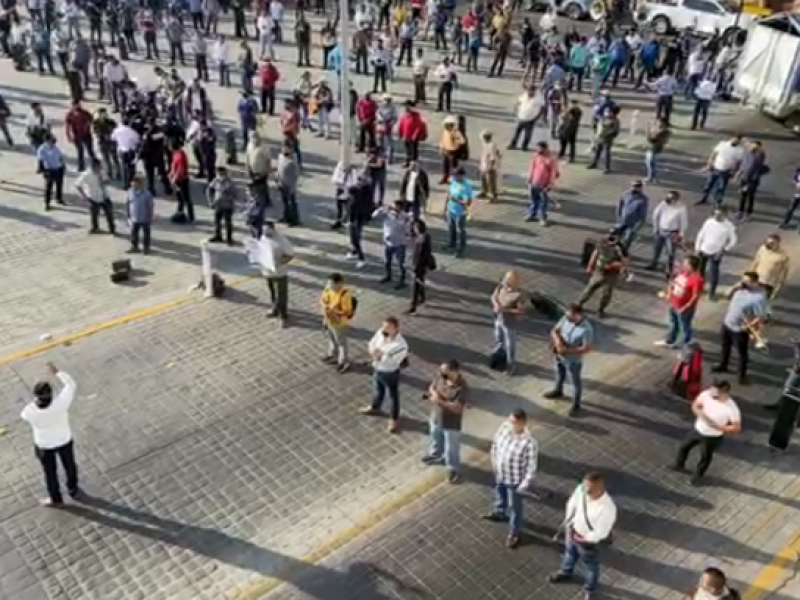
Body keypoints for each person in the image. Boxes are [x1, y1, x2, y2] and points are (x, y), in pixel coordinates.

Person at [549, 472, 617, 598]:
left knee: (591, 566)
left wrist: (584, 538)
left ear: (600, 488)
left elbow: (601, 532)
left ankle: (590, 589)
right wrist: (568, 521)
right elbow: (572, 503)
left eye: (589, 490)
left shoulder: (607, 508)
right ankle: (566, 571)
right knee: (569, 553)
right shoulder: (581, 489)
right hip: (572, 530)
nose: (585, 491)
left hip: (587, 542)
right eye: (584, 487)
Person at [21, 363, 80, 507]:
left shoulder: (30, 411)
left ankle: (56, 498)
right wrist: (58, 372)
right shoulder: (61, 403)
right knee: (69, 464)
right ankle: (73, 488)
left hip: (44, 444)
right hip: (64, 439)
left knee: (50, 473)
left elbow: (23, 415)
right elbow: (71, 385)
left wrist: (35, 403)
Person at [483, 409, 538, 549]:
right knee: (499, 492)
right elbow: (495, 445)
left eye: (513, 422)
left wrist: (523, 485)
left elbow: (531, 469)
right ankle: (499, 512)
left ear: (522, 423)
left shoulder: (529, 443)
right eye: (509, 420)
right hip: (500, 473)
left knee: (515, 507)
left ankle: (515, 533)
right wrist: (494, 462)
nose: (509, 424)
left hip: (515, 481)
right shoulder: (504, 427)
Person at [672, 380, 741, 485]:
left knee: (705, 457)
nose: (711, 395)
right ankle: (679, 465)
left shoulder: (731, 408)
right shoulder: (707, 394)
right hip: (698, 429)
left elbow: (736, 427)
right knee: (684, 447)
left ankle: (697, 476)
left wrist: (720, 428)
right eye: (711, 391)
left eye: (715, 394)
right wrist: (699, 413)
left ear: (724, 392)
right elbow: (695, 404)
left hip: (711, 437)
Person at [712, 272, 768, 384]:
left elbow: (761, 317)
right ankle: (723, 365)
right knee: (725, 346)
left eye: (747, 281)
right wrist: (734, 287)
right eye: (743, 280)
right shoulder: (739, 290)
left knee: (742, 353)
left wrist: (749, 326)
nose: (743, 283)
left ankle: (741, 375)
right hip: (727, 323)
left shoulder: (759, 298)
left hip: (740, 328)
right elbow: (726, 295)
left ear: (755, 282)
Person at [361, 316, 410, 434]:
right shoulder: (381, 333)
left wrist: (380, 356)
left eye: (388, 327)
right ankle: (375, 407)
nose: (384, 329)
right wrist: (373, 352)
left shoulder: (401, 345)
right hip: (377, 368)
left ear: (396, 328)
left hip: (390, 372)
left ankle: (394, 418)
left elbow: (393, 360)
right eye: (383, 326)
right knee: (378, 389)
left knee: (393, 396)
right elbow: (372, 343)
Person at [422, 360, 467, 484]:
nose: (442, 374)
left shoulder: (462, 388)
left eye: (446, 372)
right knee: (435, 437)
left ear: (455, 371)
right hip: (436, 416)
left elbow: (458, 408)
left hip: (451, 422)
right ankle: (436, 454)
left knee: (451, 447)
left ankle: (453, 468)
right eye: (442, 371)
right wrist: (434, 393)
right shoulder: (441, 377)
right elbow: (432, 387)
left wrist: (439, 401)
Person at [545, 304, 593, 417]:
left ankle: (576, 404)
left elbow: (586, 348)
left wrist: (567, 350)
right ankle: (558, 390)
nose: (567, 318)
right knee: (559, 373)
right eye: (567, 315)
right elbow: (554, 331)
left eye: (570, 316)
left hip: (573, 360)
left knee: (575, 382)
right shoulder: (565, 319)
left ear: (578, 315)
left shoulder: (587, 329)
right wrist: (558, 343)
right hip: (559, 354)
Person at [655, 255, 704, 348]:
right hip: (674, 304)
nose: (683, 264)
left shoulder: (697, 279)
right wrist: (668, 293)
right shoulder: (682, 273)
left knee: (685, 327)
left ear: (691, 266)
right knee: (673, 323)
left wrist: (687, 307)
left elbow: (695, 295)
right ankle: (670, 340)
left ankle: (685, 345)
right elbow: (672, 283)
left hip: (684, 308)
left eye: (686, 263)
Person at [578, 229, 627, 318]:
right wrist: (590, 266)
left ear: (618, 237)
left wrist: (619, 269)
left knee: (606, 294)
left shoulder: (620, 247)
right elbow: (595, 254)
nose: (611, 237)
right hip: (599, 271)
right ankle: (579, 304)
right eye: (610, 234)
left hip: (611, 274)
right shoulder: (602, 242)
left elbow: (624, 261)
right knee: (589, 288)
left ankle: (600, 310)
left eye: (614, 235)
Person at [694, 208, 737, 299]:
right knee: (700, 272)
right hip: (703, 250)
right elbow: (701, 234)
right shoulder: (709, 222)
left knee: (714, 273)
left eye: (719, 214)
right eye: (715, 214)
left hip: (716, 253)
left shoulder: (729, 226)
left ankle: (712, 293)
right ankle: (699, 288)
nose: (716, 216)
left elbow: (733, 240)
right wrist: (697, 247)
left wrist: (724, 249)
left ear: (725, 215)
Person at [260, 220, 295, 327]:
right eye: (264, 230)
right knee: (272, 292)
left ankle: (283, 315)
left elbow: (290, 255)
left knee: (281, 294)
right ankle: (274, 308)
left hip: (279, 272)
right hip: (267, 271)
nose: (265, 232)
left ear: (273, 229)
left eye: (267, 230)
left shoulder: (282, 240)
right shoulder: (263, 237)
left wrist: (279, 263)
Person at [491, 271, 526, 376]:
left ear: (515, 282)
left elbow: (521, 311)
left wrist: (503, 310)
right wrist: (496, 304)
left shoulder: (519, 295)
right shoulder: (501, 286)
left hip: (509, 324)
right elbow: (493, 296)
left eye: (508, 280)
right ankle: (498, 358)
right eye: (505, 279)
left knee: (510, 345)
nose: (505, 282)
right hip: (498, 320)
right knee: (499, 340)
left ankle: (511, 366)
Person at [320, 273, 354, 373]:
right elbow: (323, 300)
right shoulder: (328, 289)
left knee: (341, 342)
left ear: (340, 283)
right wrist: (325, 309)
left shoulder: (345, 294)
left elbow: (348, 311)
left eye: (333, 284)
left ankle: (344, 361)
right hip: (328, 319)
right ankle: (333, 355)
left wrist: (333, 311)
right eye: (329, 284)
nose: (330, 286)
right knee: (331, 338)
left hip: (339, 322)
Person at [75, 159, 115, 234]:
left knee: (109, 213)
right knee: (94, 214)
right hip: (93, 197)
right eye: (97, 168)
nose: (99, 169)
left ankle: (112, 228)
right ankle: (95, 228)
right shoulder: (86, 174)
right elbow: (77, 184)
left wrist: (105, 182)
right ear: (92, 167)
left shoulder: (102, 172)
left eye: (99, 167)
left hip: (104, 196)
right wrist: (84, 196)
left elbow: (108, 181)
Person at [443, 167, 472, 257]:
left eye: (456, 175)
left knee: (461, 230)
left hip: (460, 212)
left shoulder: (466, 186)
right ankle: (452, 244)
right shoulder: (454, 182)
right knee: (451, 228)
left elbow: (468, 202)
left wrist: (458, 201)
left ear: (462, 175)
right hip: (451, 210)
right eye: (454, 175)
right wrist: (445, 207)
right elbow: (448, 194)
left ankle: (461, 249)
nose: (454, 176)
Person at [206, 166, 239, 245]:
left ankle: (229, 239)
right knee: (217, 222)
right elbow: (209, 189)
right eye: (219, 174)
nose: (220, 175)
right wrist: (210, 201)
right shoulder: (216, 181)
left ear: (225, 173)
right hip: (218, 205)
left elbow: (235, 195)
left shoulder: (230, 182)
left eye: (222, 174)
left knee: (228, 223)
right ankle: (218, 236)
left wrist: (227, 196)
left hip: (228, 206)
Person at [407, 220, 434, 315]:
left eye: (416, 228)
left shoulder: (421, 239)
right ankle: (422, 298)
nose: (414, 229)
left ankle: (413, 306)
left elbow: (422, 255)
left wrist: (415, 268)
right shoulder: (425, 236)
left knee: (415, 286)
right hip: (418, 265)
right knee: (419, 282)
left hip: (418, 266)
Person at [36, 135, 66, 210]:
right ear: (47, 141)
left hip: (59, 168)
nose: (53, 143)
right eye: (52, 141)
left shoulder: (55, 147)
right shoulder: (42, 149)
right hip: (49, 170)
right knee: (48, 187)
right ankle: (47, 203)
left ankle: (59, 199)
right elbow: (41, 160)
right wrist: (42, 170)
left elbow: (60, 157)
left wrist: (63, 165)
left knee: (59, 184)